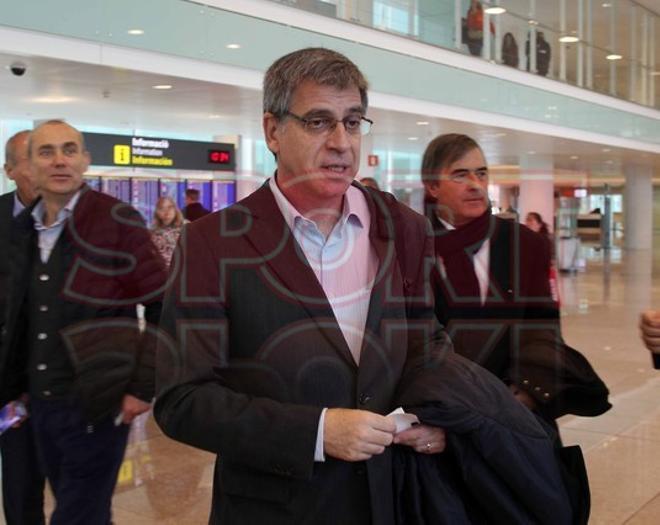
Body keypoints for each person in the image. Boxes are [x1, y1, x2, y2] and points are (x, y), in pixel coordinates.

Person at [154, 47, 448, 525]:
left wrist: (437, 416)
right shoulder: (213, 242)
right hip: (275, 507)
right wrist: (316, 431)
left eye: (352, 122)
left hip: (392, 496)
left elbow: (426, 342)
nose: (341, 142)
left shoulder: (405, 227)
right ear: (273, 130)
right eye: (318, 122)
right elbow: (182, 400)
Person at [0, 120, 168, 524]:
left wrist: (143, 387)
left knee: (77, 514)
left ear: (85, 161)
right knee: (71, 507)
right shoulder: (26, 228)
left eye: (70, 150)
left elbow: (164, 305)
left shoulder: (116, 219)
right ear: (28, 165)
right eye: (46, 152)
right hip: (37, 403)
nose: (60, 160)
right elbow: (21, 316)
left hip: (97, 402)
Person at [421, 133, 610, 425]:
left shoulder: (526, 245)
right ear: (432, 186)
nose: (475, 184)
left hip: (515, 412)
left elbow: (543, 326)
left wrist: (526, 390)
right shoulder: (411, 247)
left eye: (481, 173)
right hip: (439, 413)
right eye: (460, 175)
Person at [0, 130, 46, 525]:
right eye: (33, 157)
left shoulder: (94, 220)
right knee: (19, 485)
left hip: (75, 385)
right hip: (12, 386)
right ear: (10, 170)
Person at [150, 195, 186, 267]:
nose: (167, 212)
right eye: (162, 208)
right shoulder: (152, 234)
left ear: (175, 209)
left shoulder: (186, 228)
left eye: (170, 207)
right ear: (157, 212)